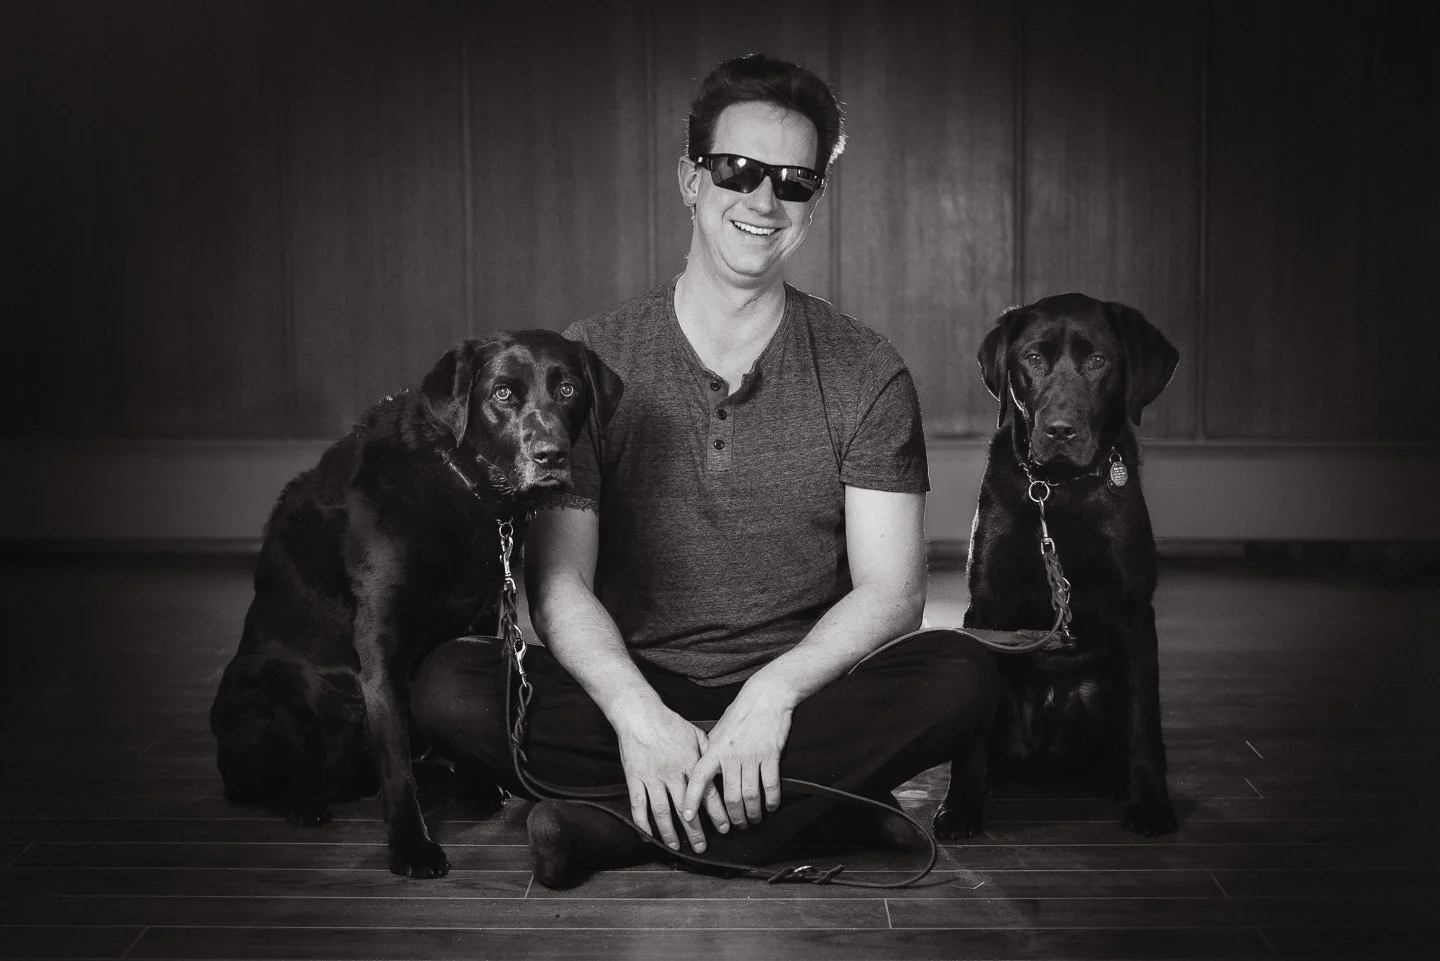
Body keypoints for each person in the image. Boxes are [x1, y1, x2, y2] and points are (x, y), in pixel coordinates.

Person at [411, 53, 998, 888]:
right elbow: (561, 584)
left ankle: (615, 826)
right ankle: (820, 810)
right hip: (634, 684)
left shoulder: (867, 370)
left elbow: (894, 591)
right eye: (737, 170)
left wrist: (771, 696)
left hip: (799, 699)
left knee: (964, 676)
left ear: (814, 203)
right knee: (448, 684)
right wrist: (635, 712)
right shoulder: (591, 357)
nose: (763, 200)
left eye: (794, 182)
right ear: (691, 180)